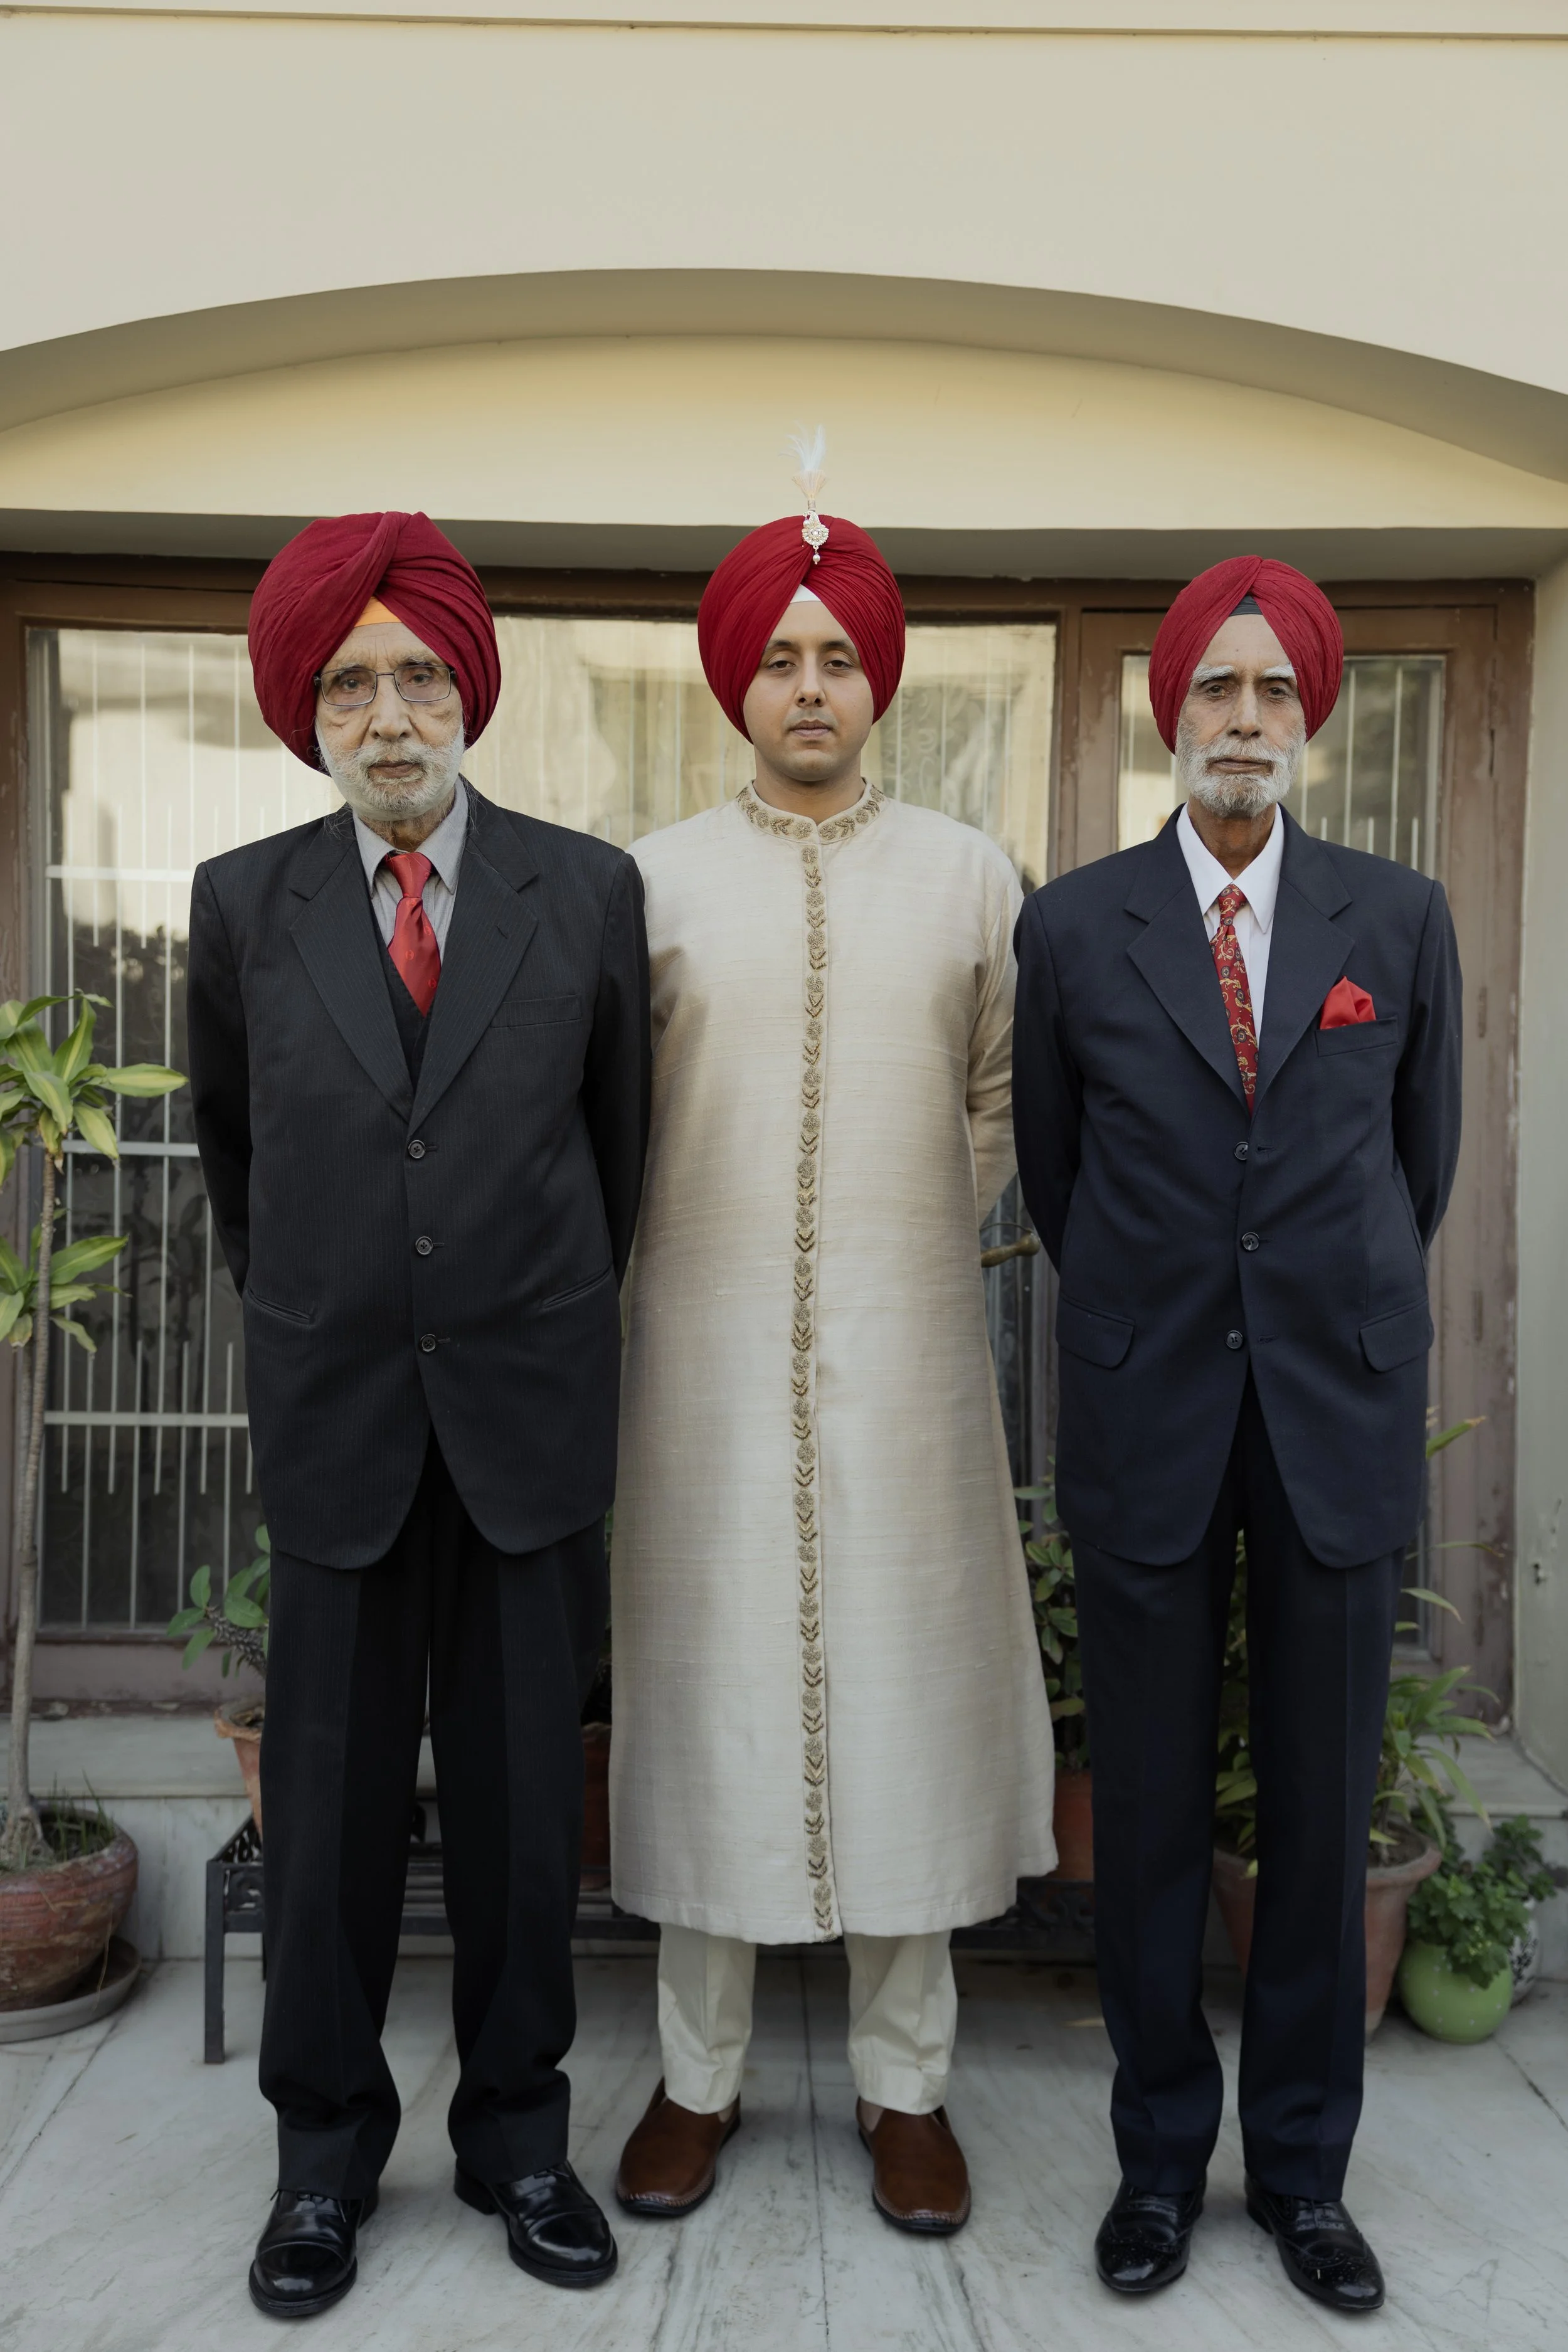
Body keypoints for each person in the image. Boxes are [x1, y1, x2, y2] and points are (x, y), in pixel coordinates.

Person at [187, 511, 650, 2320]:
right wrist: (347, 1304)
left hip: (528, 1418)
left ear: (470, 692)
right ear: (309, 707)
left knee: (534, 1814)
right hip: (340, 1422)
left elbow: (615, 1163)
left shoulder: (584, 891)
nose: (390, 713)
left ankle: (519, 2142)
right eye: (354, 681)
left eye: (419, 676)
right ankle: (322, 2162)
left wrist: (503, 1300)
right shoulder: (243, 903)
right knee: (329, 1816)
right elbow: (245, 1162)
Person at [608, 467, 1056, 2236]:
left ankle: (905, 2086)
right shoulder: (647, 884)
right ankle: (695, 2076)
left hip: (910, 1351)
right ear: (737, 683)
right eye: (778, 656)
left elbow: (1008, 1092)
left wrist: (901, 1215)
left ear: (881, 681)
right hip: (699, 1358)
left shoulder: (968, 878)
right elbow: (608, 1115)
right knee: (711, 1692)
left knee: (905, 1689)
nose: (807, 682)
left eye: (836, 655)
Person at [1012, 556, 1462, 2315]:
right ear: (1170, 713)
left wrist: (1302, 1310)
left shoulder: (1396, 920)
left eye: (1274, 692)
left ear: (1310, 718)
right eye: (1217, 688)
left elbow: (1409, 1170)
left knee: (1315, 1800)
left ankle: (1299, 2173)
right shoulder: (1074, 926)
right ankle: (1151, 2165)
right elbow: (1059, 1175)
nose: (1245, 720)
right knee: (1141, 1810)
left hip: (1331, 1414)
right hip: (1148, 1411)